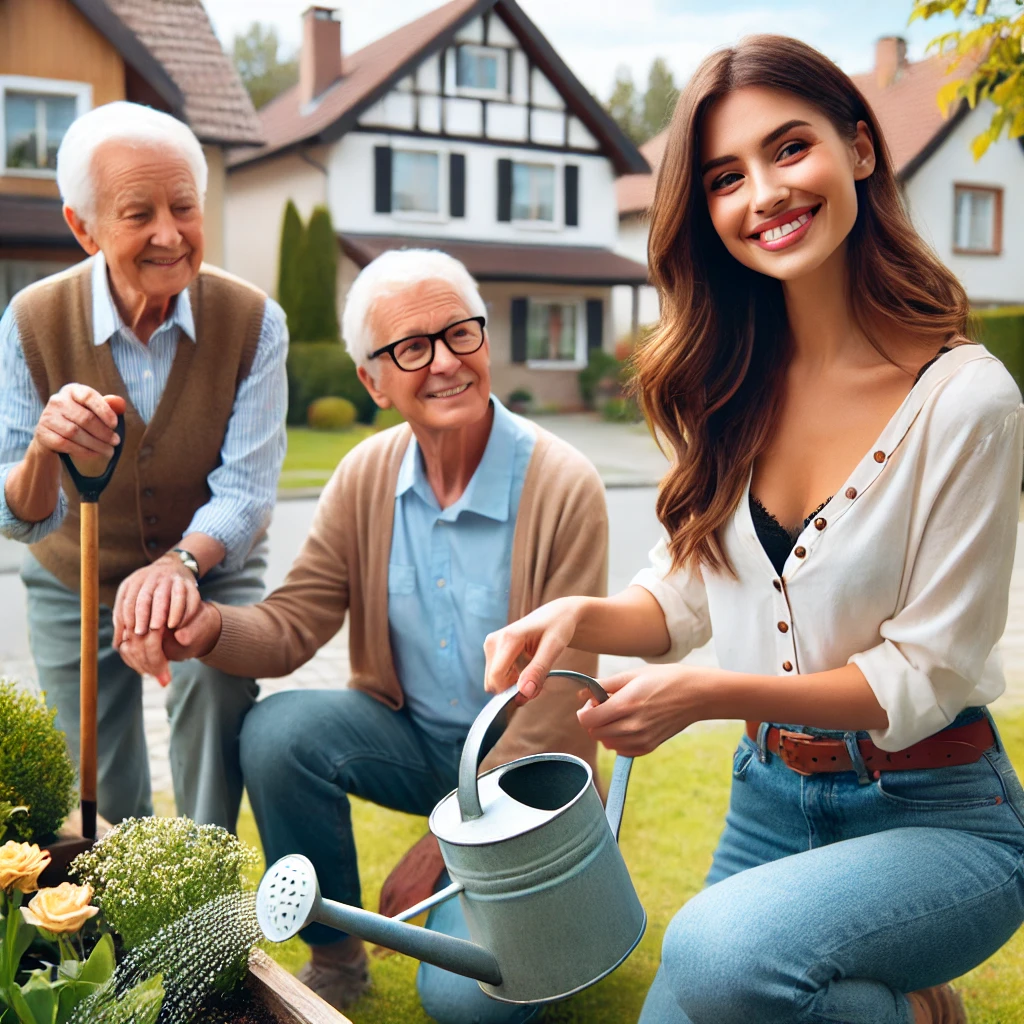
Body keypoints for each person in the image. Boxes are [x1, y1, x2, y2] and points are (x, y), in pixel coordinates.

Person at [482, 35, 1024, 1024]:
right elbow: (685, 593)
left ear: (859, 149)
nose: (762, 193)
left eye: (788, 149)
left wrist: (707, 694)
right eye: (726, 176)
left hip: (939, 813)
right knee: (757, 992)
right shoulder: (728, 384)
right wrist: (576, 616)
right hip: (768, 799)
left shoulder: (967, 402)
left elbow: (925, 672)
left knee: (715, 952)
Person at [117, 249, 608, 1021]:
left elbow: (552, 717)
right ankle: (336, 958)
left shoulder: (562, 484)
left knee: (466, 1003)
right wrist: (205, 627)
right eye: (412, 347)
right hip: (412, 742)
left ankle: (566, 897)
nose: (446, 361)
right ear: (373, 382)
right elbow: (293, 622)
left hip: (523, 782)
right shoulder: (364, 476)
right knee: (280, 730)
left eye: (462, 334)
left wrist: (452, 846)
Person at [0, 101, 287, 831]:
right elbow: (20, 517)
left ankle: (202, 888)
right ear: (83, 226)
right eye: (138, 213)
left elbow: (248, 490)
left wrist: (179, 568)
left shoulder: (255, 320)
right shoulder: (31, 321)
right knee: (96, 771)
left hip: (210, 563)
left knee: (215, 692)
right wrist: (43, 447)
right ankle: (118, 908)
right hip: (76, 575)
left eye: (184, 207)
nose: (169, 233)